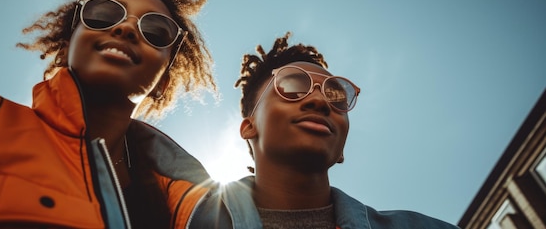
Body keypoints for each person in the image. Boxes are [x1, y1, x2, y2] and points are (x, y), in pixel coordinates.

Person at [0, 0, 217, 229]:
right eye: (104, 14)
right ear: (65, 49)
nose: (125, 28)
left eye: (155, 30)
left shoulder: (195, 201)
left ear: (162, 82)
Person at [189, 32, 459, 229]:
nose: (320, 101)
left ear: (341, 149)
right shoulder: (178, 219)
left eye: (336, 97)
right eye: (293, 87)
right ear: (249, 126)